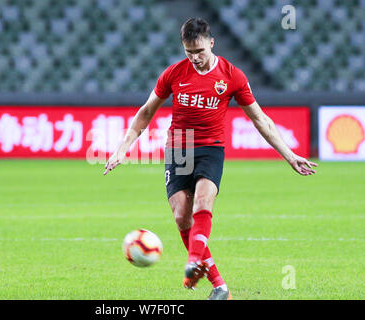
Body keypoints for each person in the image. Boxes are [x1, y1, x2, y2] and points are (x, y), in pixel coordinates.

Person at [103, 18, 317, 300]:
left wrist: (289, 155)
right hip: (180, 147)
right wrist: (122, 147)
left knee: (203, 202)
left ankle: (193, 261)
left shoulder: (232, 76)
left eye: (200, 51)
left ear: (211, 43)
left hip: (211, 147)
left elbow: (260, 119)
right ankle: (220, 287)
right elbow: (146, 112)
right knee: (182, 217)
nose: (195, 58)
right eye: (189, 52)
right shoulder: (173, 74)